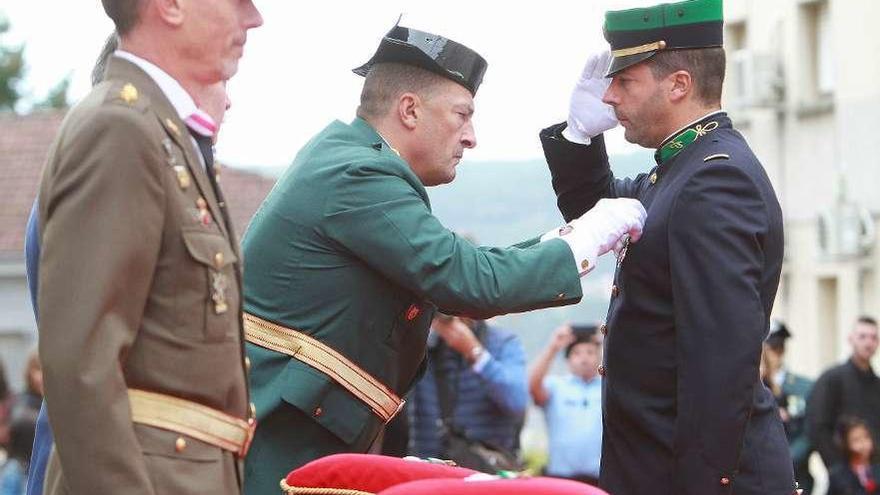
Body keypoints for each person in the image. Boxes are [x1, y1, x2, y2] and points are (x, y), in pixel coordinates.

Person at [241, 24, 646, 494]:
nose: (471, 137)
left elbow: (460, 265)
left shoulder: (355, 162)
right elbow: (466, 281)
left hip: (298, 429)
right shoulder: (359, 173)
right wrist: (582, 243)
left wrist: (565, 237)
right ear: (409, 110)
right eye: (462, 115)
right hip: (280, 437)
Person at [537, 0, 796, 493]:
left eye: (625, 81)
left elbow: (720, 366)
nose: (610, 96)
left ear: (679, 84)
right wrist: (579, 137)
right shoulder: (680, 169)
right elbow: (599, 216)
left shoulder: (715, 179)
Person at [35, 1, 261, 493]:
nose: (253, 18)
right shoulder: (120, 128)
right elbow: (81, 366)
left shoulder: (159, 132)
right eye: (238, 2)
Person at [409, 316, 527, 466]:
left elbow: (516, 402)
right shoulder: (422, 346)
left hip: (485, 470)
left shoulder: (503, 342)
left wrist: (473, 351)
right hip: (428, 466)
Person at [528, 324, 603, 485]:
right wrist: (553, 347)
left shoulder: (607, 388)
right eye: (577, 353)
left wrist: (610, 339)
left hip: (599, 478)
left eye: (590, 352)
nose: (584, 358)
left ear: (599, 356)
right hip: (560, 477)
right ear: (568, 359)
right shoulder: (556, 385)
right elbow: (532, 386)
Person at [808, 317, 880, 469]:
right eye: (862, 337)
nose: (868, 343)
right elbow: (818, 427)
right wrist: (838, 469)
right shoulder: (831, 379)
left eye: (874, 337)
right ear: (851, 339)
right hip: (842, 475)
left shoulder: (877, 385)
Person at [761, 321, 815, 493]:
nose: (773, 354)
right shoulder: (752, 388)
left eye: (777, 348)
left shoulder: (803, 387)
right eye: (769, 349)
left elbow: (810, 431)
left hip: (797, 473)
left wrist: (787, 459)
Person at [827, 417, 880, 495]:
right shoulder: (838, 476)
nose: (863, 444)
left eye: (866, 437)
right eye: (856, 440)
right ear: (845, 444)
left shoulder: (877, 468)